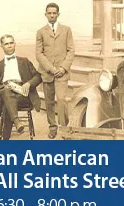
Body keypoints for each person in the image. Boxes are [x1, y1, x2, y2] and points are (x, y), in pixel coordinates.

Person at [0, 34, 42, 140]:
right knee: (6, 94)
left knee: (7, 104)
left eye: (11, 43)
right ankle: (17, 121)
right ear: (2, 46)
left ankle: (5, 139)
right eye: (6, 44)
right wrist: (4, 87)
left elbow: (38, 76)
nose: (9, 46)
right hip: (5, 90)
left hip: (22, 93)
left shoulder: (25, 61)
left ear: (15, 44)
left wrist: (28, 83)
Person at [36, 2, 75, 139]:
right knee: (49, 102)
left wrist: (63, 68)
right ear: (45, 14)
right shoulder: (41, 32)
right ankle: (52, 126)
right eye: (49, 13)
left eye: (54, 13)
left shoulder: (66, 30)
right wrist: (51, 69)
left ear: (58, 14)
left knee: (62, 99)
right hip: (47, 73)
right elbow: (39, 53)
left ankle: (64, 127)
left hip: (62, 73)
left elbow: (71, 50)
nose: (52, 15)